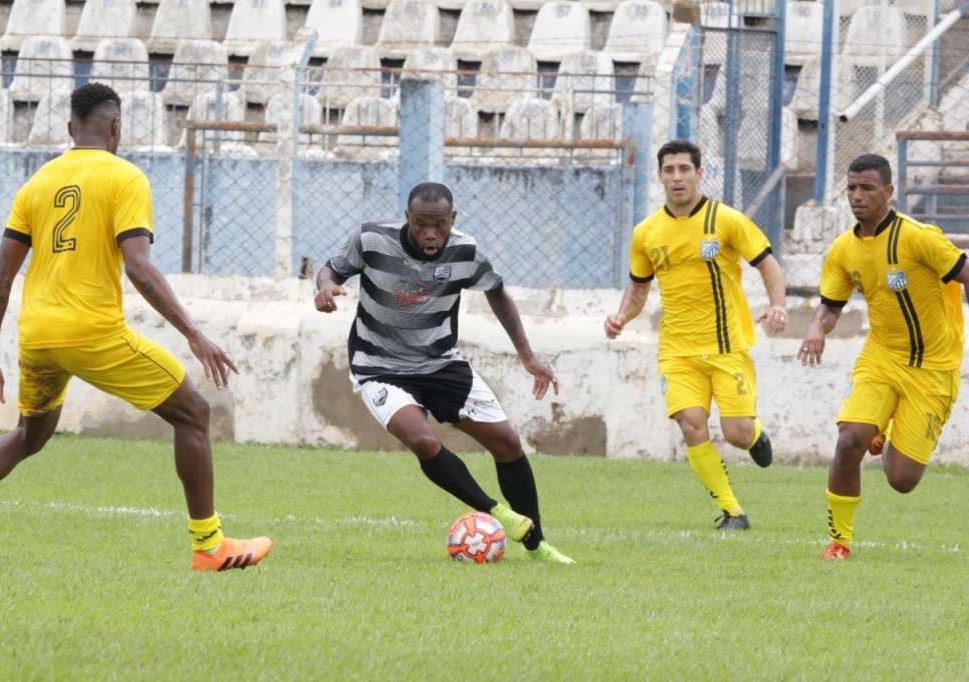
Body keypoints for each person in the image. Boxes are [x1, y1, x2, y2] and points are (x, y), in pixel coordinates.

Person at [0, 83, 271, 572]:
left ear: (69, 128)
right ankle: (209, 546)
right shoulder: (125, 177)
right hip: (92, 333)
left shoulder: (36, 184)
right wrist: (193, 334)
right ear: (116, 127)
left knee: (29, 434)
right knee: (193, 412)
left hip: (38, 334)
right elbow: (139, 266)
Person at [313, 182, 574, 563]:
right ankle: (497, 513)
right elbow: (331, 270)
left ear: (453, 219)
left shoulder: (465, 251)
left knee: (506, 442)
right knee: (423, 440)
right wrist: (325, 289)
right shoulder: (371, 239)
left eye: (439, 225)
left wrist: (528, 357)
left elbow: (497, 292)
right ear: (407, 217)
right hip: (378, 365)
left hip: (439, 362)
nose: (430, 234)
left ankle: (537, 546)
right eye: (420, 224)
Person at [605, 140, 787, 529]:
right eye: (669, 170)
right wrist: (621, 317)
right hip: (677, 351)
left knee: (736, 433)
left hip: (726, 346)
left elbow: (768, 265)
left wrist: (778, 305)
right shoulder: (646, 232)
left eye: (684, 169)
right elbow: (637, 291)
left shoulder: (726, 220)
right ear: (659, 177)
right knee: (691, 423)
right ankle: (732, 512)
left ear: (699, 173)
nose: (677, 177)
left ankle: (754, 435)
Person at [798, 153, 968, 561]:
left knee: (902, 480)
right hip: (881, 357)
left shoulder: (918, 237)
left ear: (888, 192)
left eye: (867, 188)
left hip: (933, 368)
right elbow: (831, 307)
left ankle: (885, 431)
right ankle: (839, 542)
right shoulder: (843, 250)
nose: (857, 196)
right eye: (851, 188)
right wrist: (816, 327)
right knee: (849, 441)